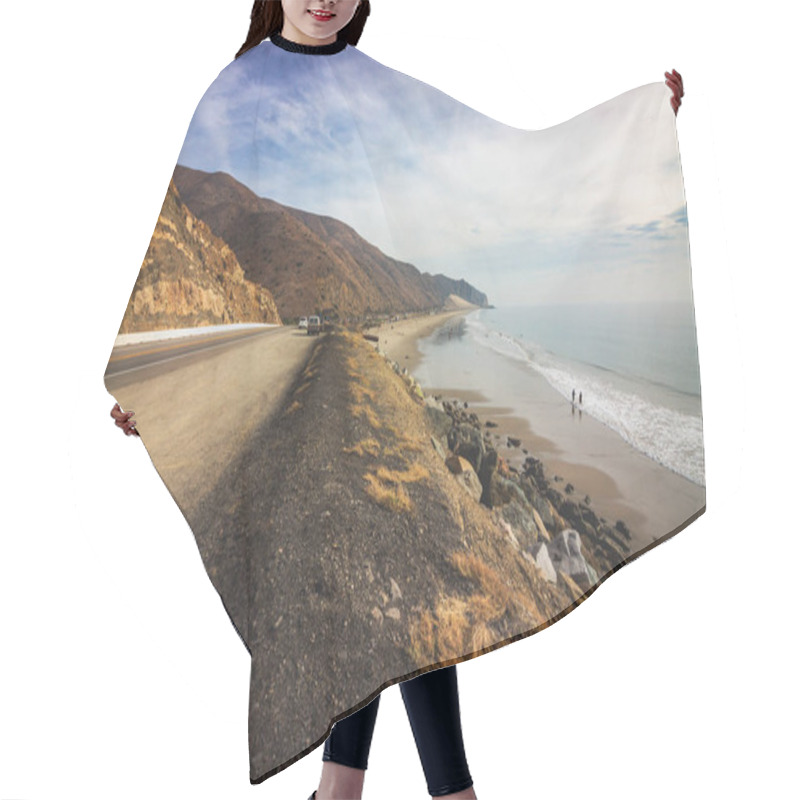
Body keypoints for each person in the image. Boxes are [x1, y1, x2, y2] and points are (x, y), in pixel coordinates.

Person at [110, 2, 685, 797]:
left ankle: (347, 789)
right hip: (301, 427)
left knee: (388, 598)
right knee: (395, 593)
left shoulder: (376, 86)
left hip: (348, 391)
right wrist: (146, 391)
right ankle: (437, 792)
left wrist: (642, 125)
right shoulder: (234, 90)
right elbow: (172, 239)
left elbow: (504, 172)